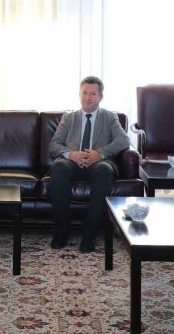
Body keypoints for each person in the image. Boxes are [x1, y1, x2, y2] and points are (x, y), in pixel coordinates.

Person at [48, 76, 131, 253]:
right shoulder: (68, 118)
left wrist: (99, 153)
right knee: (58, 167)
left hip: (99, 163)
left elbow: (124, 140)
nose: (88, 98)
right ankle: (62, 232)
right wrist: (70, 154)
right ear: (79, 94)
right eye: (85, 93)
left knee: (104, 170)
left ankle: (89, 235)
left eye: (93, 94)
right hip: (72, 162)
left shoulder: (109, 117)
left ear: (100, 97)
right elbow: (54, 145)